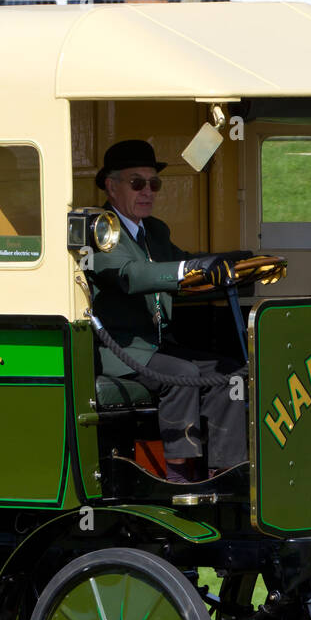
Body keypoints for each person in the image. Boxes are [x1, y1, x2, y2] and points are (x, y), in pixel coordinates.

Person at [86, 140, 250, 481]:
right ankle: (181, 477)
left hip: (157, 346)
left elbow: (185, 265)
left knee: (230, 374)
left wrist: (235, 263)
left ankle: (226, 472)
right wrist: (192, 267)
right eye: (137, 183)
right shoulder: (101, 231)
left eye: (154, 183)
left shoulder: (155, 231)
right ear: (111, 186)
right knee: (184, 373)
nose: (148, 191)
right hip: (121, 350)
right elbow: (132, 276)